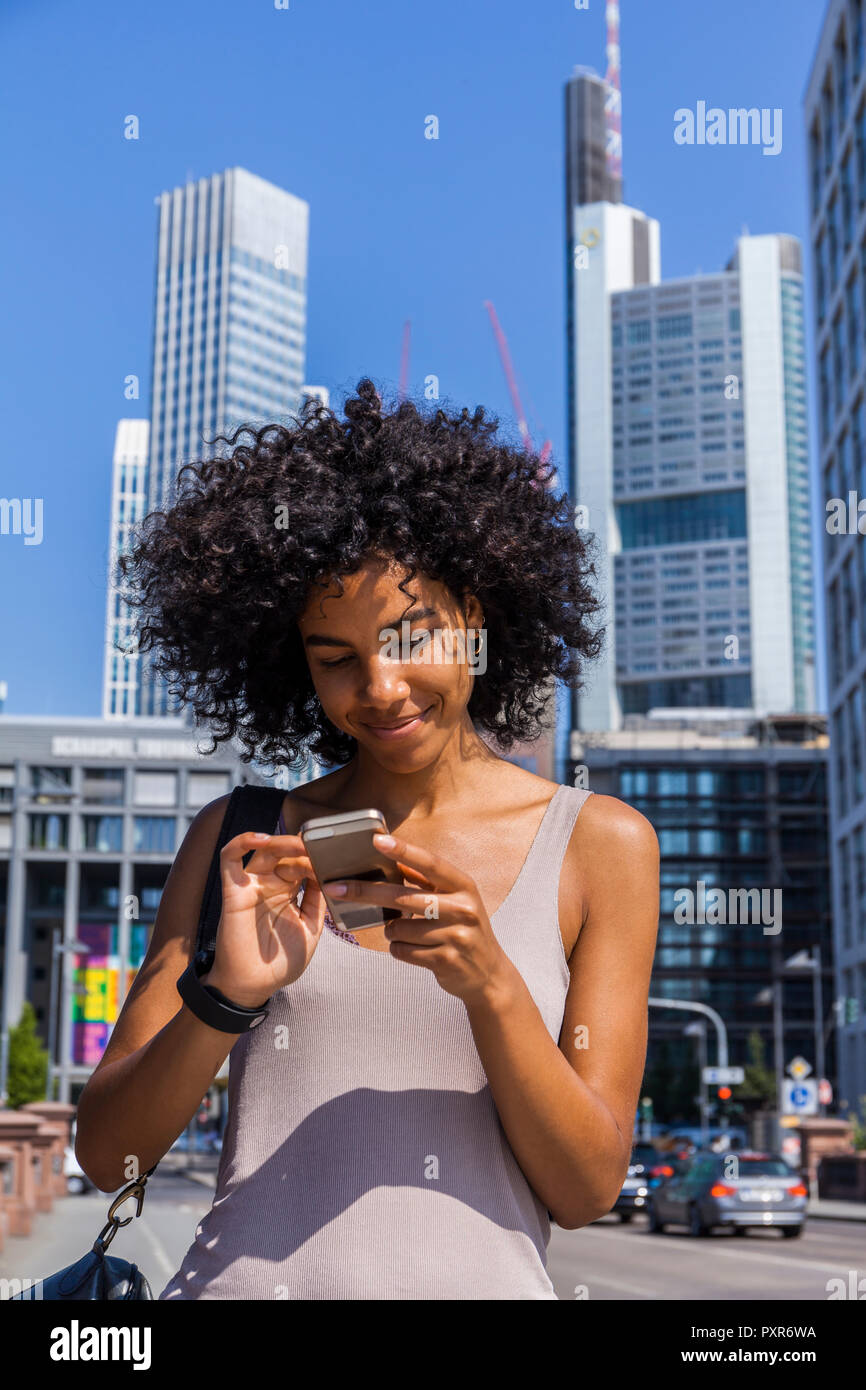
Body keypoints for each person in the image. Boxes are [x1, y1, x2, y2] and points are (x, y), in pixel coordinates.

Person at [74, 379, 660, 1300]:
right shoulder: (241, 836)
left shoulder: (599, 844)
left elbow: (585, 1190)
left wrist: (493, 987)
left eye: (409, 636)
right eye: (336, 659)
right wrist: (227, 996)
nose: (380, 688)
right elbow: (113, 1158)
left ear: (482, 615)